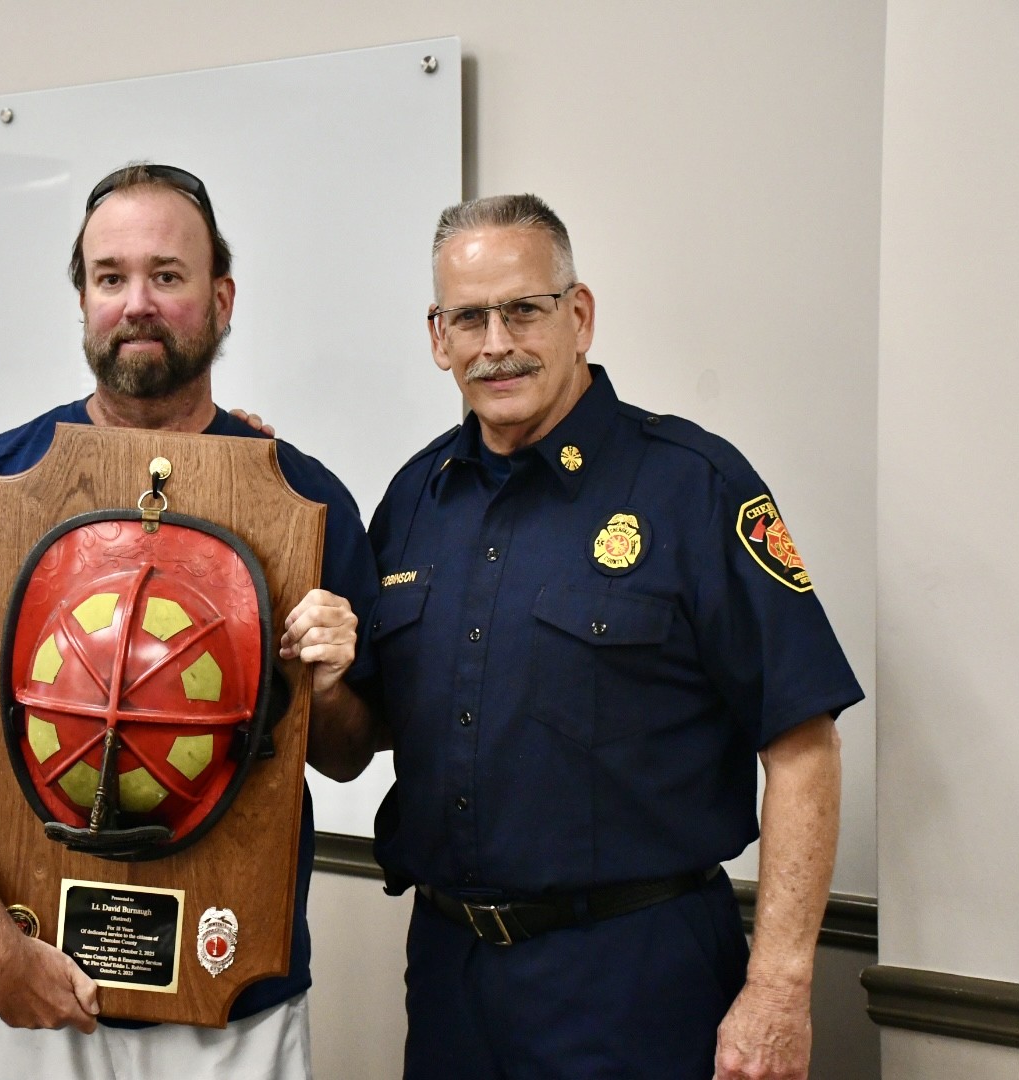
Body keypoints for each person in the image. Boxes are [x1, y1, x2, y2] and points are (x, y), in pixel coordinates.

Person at [0, 163, 377, 1080]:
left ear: (221, 298)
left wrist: (327, 687)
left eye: (167, 275)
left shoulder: (304, 498)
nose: (137, 303)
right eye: (111, 277)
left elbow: (345, 755)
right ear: (83, 300)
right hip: (30, 1001)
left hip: (234, 1008)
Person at [357, 194, 863, 1080]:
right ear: (438, 337)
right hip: (449, 977)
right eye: (468, 318)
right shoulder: (413, 500)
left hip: (635, 978)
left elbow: (803, 745)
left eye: (523, 309)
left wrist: (779, 987)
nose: (496, 343)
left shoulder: (693, 485)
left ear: (579, 315)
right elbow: (365, 727)